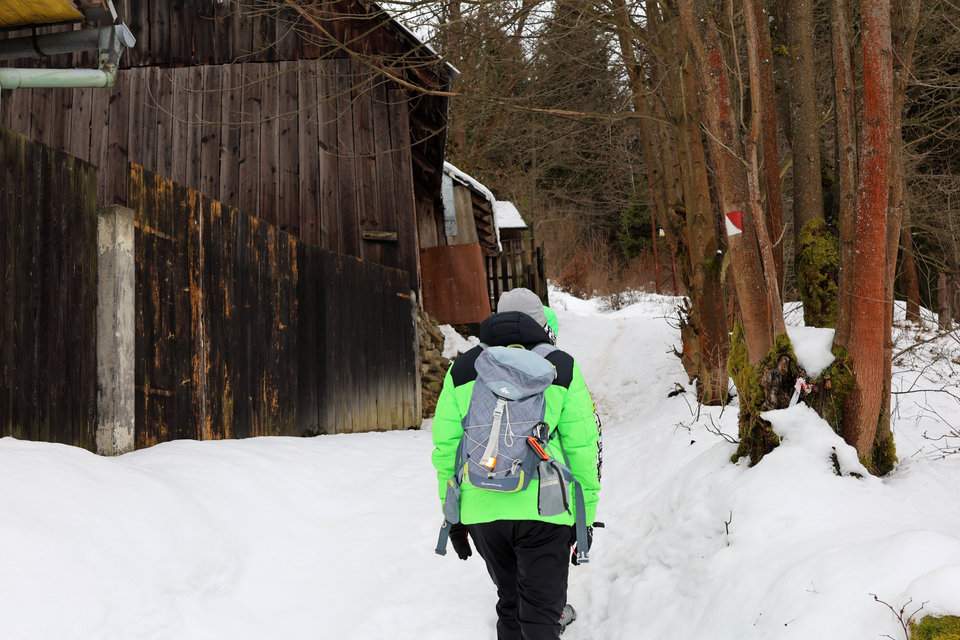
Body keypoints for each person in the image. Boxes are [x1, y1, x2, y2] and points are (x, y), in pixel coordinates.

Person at [432, 288, 601, 640]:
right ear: (541, 322)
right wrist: (584, 517)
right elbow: (582, 449)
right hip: (546, 508)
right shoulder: (562, 367)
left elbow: (447, 448)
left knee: (510, 601)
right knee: (540, 615)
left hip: (482, 508)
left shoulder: (462, 369)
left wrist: (453, 516)